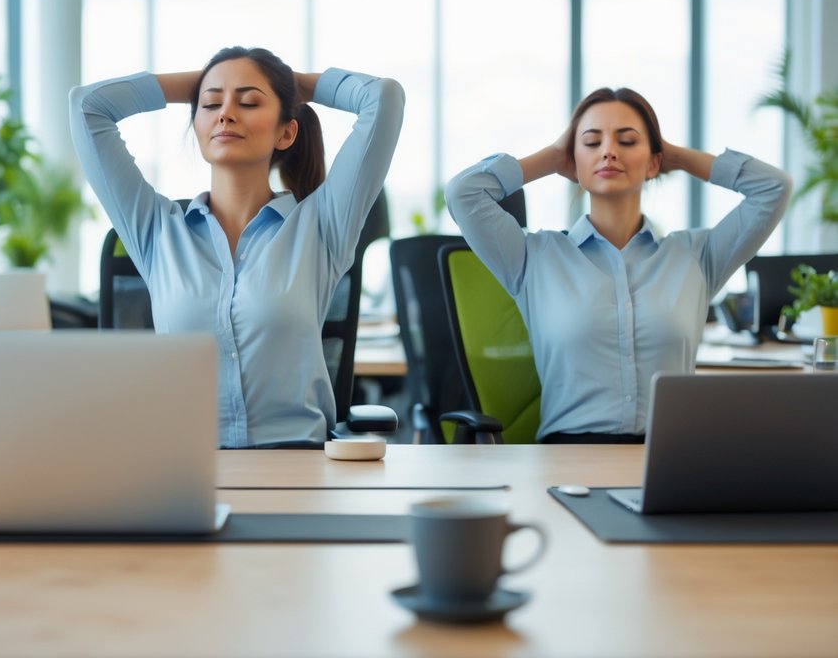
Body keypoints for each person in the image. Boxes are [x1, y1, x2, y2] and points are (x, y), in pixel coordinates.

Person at [70, 47, 405, 448]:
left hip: (296, 467)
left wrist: (292, 84)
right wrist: (204, 81)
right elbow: (87, 106)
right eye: (211, 104)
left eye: (248, 102)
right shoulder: (157, 232)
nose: (226, 113)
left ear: (287, 131)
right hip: (185, 471)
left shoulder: (321, 225)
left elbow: (383, 97)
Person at [445, 87, 792, 443]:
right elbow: (463, 192)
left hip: (668, 454)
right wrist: (551, 157)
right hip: (567, 457)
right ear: (572, 161)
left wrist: (674, 155)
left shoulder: (697, 256)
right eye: (592, 143)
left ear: (654, 162)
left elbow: (774, 188)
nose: (609, 151)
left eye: (627, 141)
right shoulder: (532, 257)